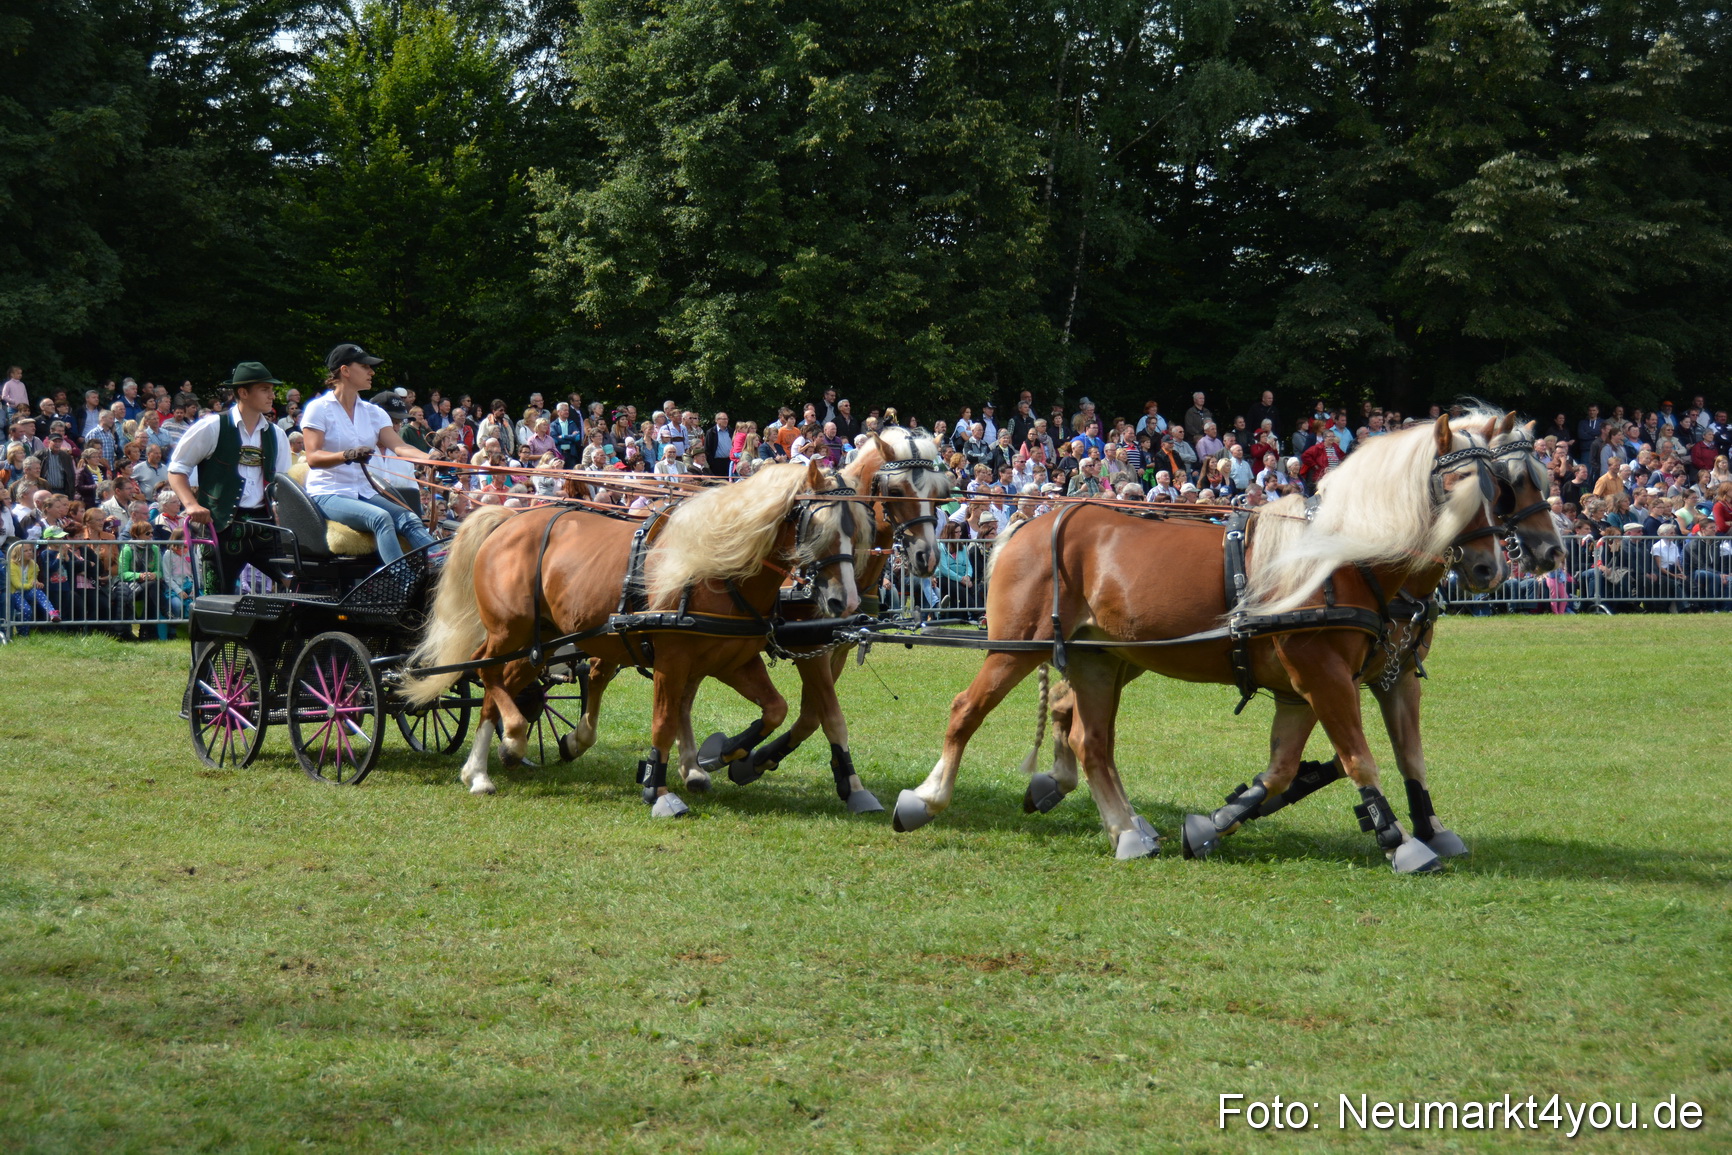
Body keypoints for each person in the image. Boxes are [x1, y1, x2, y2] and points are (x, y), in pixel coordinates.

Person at [300, 344, 436, 565]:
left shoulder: (374, 412)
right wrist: (348, 455)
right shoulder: (318, 408)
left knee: (410, 518)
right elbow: (313, 458)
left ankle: (442, 568)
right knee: (380, 518)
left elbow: (399, 447)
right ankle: (404, 586)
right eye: (365, 367)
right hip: (328, 493)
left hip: (364, 491)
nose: (371, 372)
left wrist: (431, 458)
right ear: (345, 370)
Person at [168, 361, 296, 594]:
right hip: (220, 525)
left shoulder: (276, 434)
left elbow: (282, 483)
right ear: (243, 392)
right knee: (214, 598)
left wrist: (281, 510)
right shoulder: (212, 426)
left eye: (272, 389)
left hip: (264, 526)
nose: (272, 395)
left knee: (298, 581)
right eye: (265, 389)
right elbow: (177, 469)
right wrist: (191, 505)